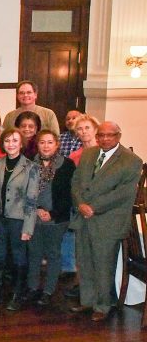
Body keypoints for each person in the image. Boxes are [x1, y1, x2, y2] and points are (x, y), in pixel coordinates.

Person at [69, 121, 143, 321]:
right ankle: (88, 301)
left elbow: (123, 194)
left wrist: (94, 207)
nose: (104, 139)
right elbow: (75, 182)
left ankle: (103, 305)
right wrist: (80, 204)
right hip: (83, 217)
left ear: (118, 136)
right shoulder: (89, 154)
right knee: (84, 261)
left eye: (110, 135)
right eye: (101, 135)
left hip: (107, 221)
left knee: (103, 264)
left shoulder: (131, 161)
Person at [0, 127, 36, 309]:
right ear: (2, 144)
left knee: (19, 256)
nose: (10, 144)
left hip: (19, 219)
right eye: (7, 141)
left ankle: (17, 293)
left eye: (14, 141)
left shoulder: (31, 167)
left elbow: (32, 199)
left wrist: (28, 228)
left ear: (21, 144)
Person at [25, 130, 75, 307]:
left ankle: (48, 291)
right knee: (34, 253)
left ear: (57, 144)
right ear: (37, 145)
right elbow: (24, 191)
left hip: (57, 218)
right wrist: (37, 209)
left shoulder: (67, 165)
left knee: (53, 253)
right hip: (33, 217)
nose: (46, 146)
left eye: (50, 142)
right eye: (42, 142)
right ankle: (32, 288)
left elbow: (69, 195)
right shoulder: (30, 164)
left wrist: (51, 213)